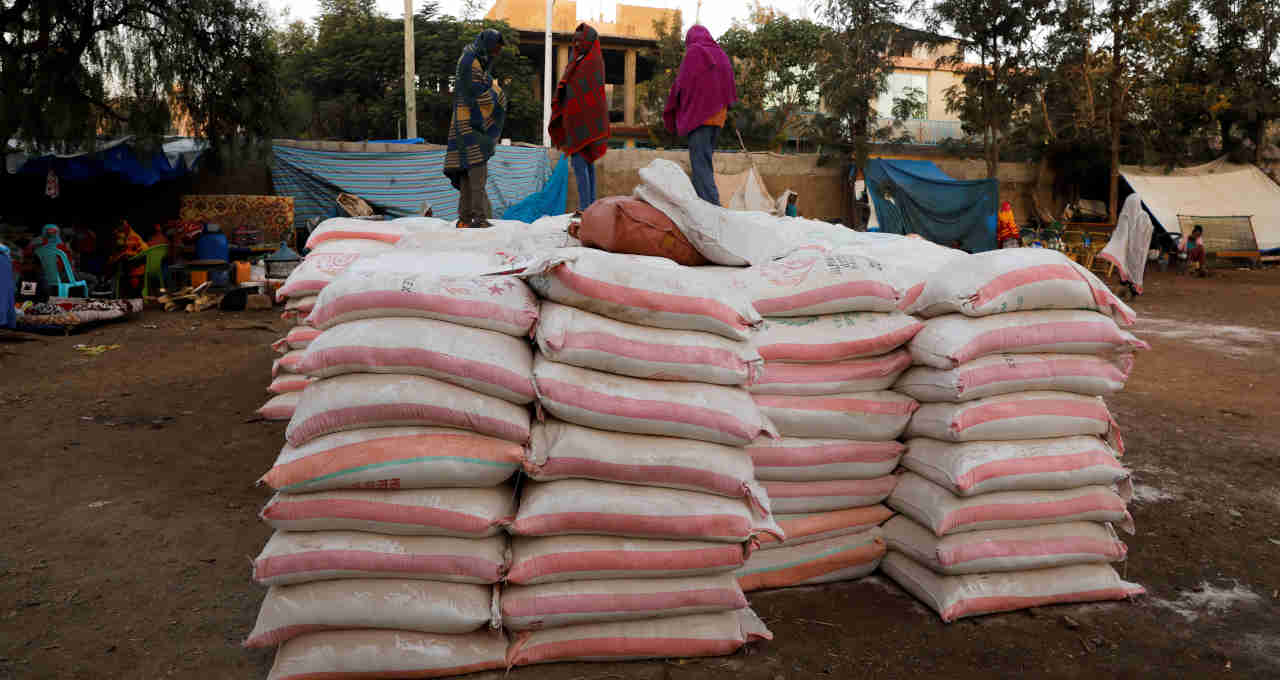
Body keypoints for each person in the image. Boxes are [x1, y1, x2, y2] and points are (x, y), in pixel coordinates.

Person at [663, 25, 737, 206]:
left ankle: (712, 210)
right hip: (718, 116)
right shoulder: (721, 54)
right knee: (705, 162)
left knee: (700, 166)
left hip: (700, 117)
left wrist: (672, 107)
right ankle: (704, 207)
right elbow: (728, 83)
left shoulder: (695, 52)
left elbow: (682, 83)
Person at [444, 29, 508, 228]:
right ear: (488, 44)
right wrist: (498, 94)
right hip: (470, 125)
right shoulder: (470, 61)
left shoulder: (473, 58)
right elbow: (477, 93)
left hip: (462, 124)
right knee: (477, 176)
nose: (496, 53)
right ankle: (479, 219)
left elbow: (480, 84)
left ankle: (464, 219)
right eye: (496, 48)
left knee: (465, 175)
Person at [549, 23, 609, 215]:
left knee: (582, 162)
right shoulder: (577, 59)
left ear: (588, 41)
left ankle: (586, 207)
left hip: (586, 120)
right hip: (575, 119)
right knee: (584, 161)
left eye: (579, 40)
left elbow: (588, 92)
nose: (575, 43)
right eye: (573, 40)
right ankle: (589, 206)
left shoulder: (592, 61)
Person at [108, 219, 146, 295]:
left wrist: (116, 257)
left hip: (139, 265)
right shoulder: (126, 236)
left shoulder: (132, 237)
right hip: (136, 263)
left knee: (119, 263)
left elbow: (129, 252)